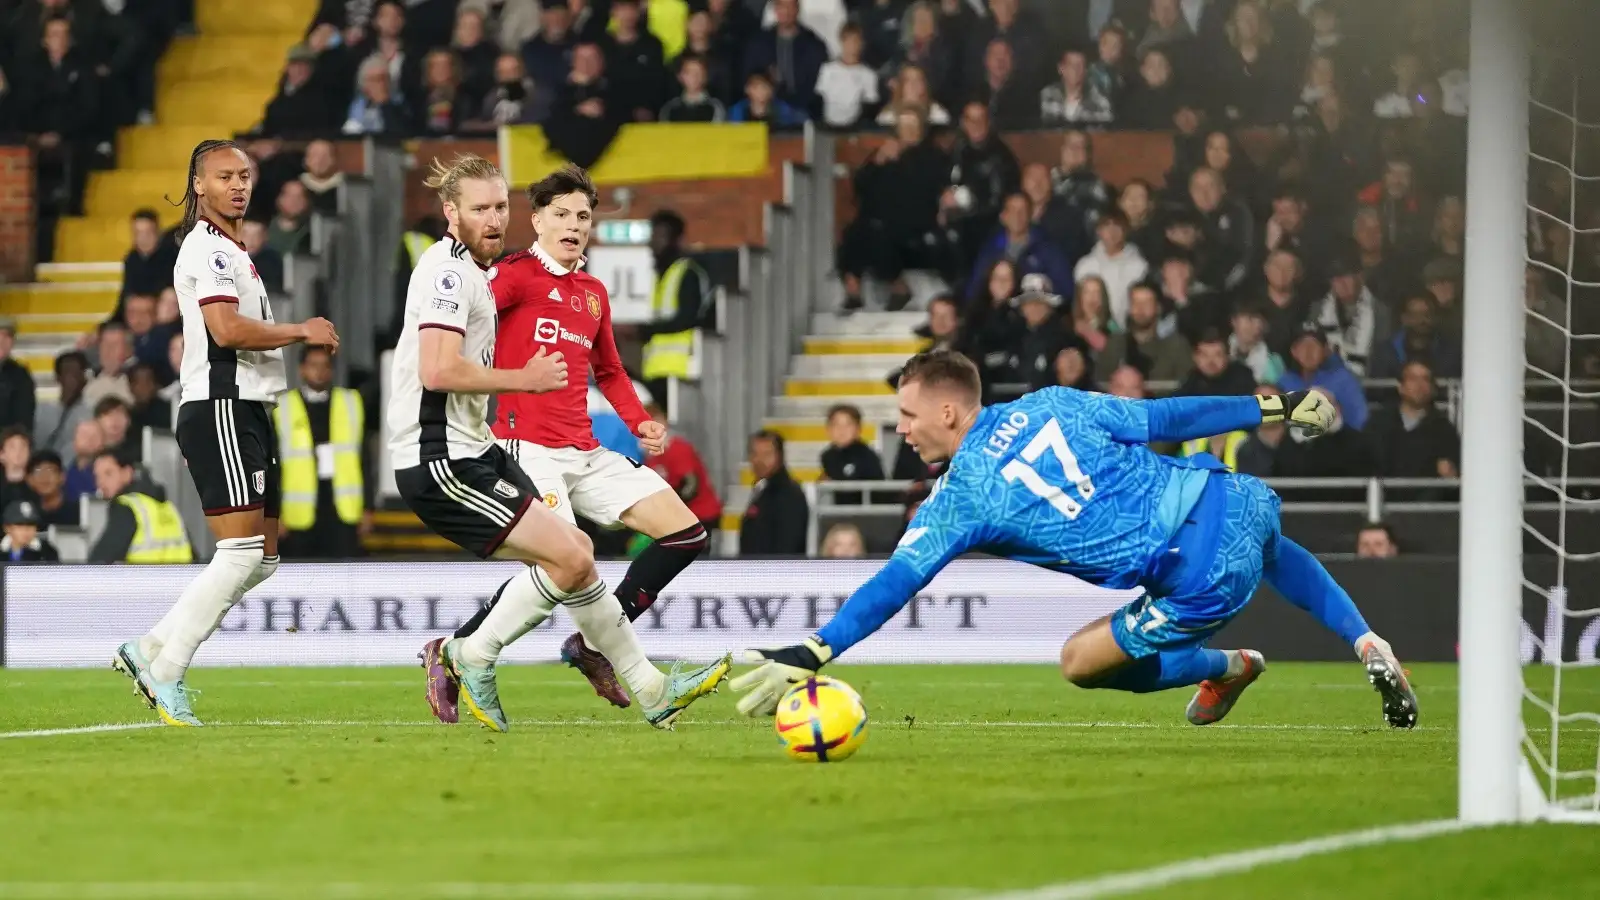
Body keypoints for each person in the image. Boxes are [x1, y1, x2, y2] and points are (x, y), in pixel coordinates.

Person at [731, 350, 1419, 732]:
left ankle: (1227, 666)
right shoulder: (1049, 401)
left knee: (1081, 660)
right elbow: (1164, 416)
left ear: (948, 410)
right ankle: (1366, 640)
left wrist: (819, 647)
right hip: (1234, 497)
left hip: (1194, 572)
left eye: (908, 416)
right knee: (1267, 547)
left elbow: (897, 582)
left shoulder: (960, 496)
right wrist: (1278, 404)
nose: (903, 430)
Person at [389, 156, 729, 732]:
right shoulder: (503, 276)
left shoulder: (592, 292)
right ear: (539, 221)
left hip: (584, 447)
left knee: (684, 532)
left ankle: (583, 642)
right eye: (562, 214)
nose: (574, 225)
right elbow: (447, 351)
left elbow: (612, 371)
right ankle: (476, 652)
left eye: (584, 216)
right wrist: (517, 380)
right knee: (567, 558)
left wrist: (640, 420)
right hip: (520, 447)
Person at [111, 139, 342, 729]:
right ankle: (167, 672)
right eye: (224, 176)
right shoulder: (207, 248)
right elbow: (226, 329)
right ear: (199, 187)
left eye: (245, 175)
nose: (238, 185)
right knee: (239, 554)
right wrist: (300, 330)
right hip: (221, 406)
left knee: (261, 559)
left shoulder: (235, 250)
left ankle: (151, 647)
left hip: (249, 408)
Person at [276, 346, 370, 559]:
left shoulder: (350, 402)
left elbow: (364, 458)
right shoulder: (283, 407)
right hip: (298, 514)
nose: (319, 371)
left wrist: (368, 508)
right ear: (301, 369)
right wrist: (273, 515)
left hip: (342, 508)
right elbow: (273, 466)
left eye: (325, 366)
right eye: (313, 365)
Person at [87, 449, 193, 565]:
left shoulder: (126, 507)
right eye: (97, 476)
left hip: (143, 581)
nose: (100, 483)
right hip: (180, 581)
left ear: (127, 473)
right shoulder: (169, 508)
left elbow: (100, 560)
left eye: (108, 473)